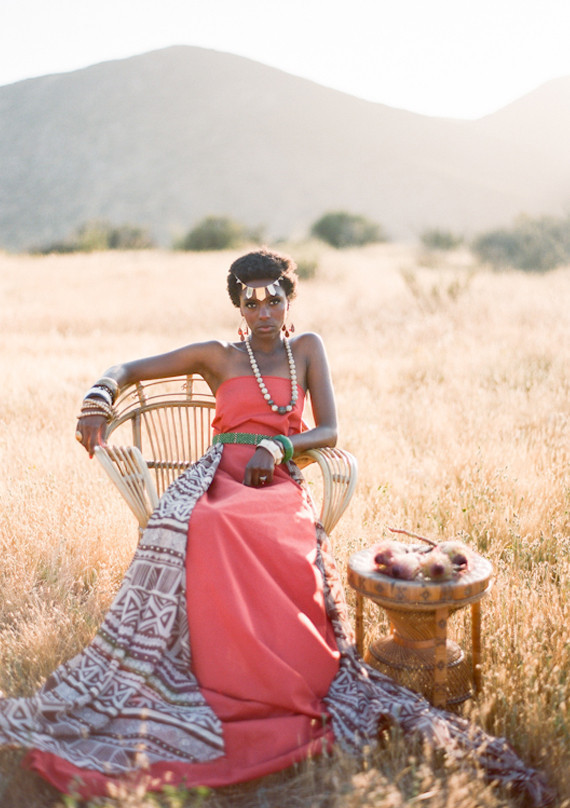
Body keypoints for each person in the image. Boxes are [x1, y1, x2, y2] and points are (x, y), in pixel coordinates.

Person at [0, 249, 552, 804]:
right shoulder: (217, 355)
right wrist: (98, 398)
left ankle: (291, 681)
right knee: (214, 522)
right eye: (251, 301)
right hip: (218, 478)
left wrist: (280, 443)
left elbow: (330, 430)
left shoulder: (307, 349)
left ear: (289, 299)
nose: (263, 309)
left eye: (274, 298)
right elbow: (127, 369)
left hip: (278, 479)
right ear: (239, 306)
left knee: (279, 529)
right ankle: (228, 680)